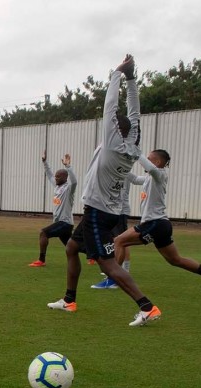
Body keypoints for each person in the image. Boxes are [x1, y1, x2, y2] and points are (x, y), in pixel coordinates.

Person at [47, 54, 162, 327]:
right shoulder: (133, 144)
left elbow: (110, 107)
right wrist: (132, 79)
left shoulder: (113, 144)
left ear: (115, 131)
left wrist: (116, 75)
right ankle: (69, 299)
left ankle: (147, 307)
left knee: (107, 264)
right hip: (100, 211)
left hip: (99, 214)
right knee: (72, 248)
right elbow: (134, 113)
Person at [97, 150, 201, 291]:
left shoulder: (160, 174)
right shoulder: (149, 178)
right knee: (175, 260)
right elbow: (133, 179)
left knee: (119, 241)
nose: (145, 161)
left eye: (149, 158)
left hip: (155, 223)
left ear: (157, 162)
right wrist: (116, 166)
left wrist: (135, 151)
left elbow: (150, 168)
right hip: (161, 224)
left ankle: (113, 280)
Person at [29, 151, 76, 267]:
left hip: (64, 222)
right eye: (55, 176)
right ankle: (94, 257)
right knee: (72, 246)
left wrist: (68, 166)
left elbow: (74, 181)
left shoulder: (69, 189)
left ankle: (41, 260)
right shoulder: (57, 186)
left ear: (65, 177)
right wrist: (44, 162)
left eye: (58, 176)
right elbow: (49, 174)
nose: (55, 178)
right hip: (61, 223)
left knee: (43, 233)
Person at [91, 175, 133, 287]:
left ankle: (118, 275)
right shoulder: (116, 172)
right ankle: (121, 271)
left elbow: (134, 181)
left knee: (122, 241)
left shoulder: (124, 173)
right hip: (115, 211)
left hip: (120, 211)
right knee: (119, 241)